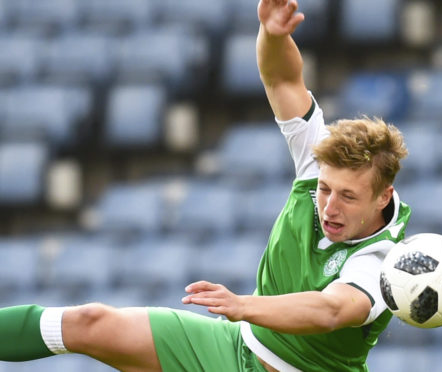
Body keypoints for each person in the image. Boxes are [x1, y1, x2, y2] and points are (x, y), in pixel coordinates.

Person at [0, 0, 410, 371]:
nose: (329, 206)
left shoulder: (383, 259)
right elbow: (283, 82)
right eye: (324, 190)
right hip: (232, 348)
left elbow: (332, 311)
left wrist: (243, 305)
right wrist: (271, 35)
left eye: (348, 196)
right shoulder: (316, 162)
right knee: (89, 322)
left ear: (382, 197)